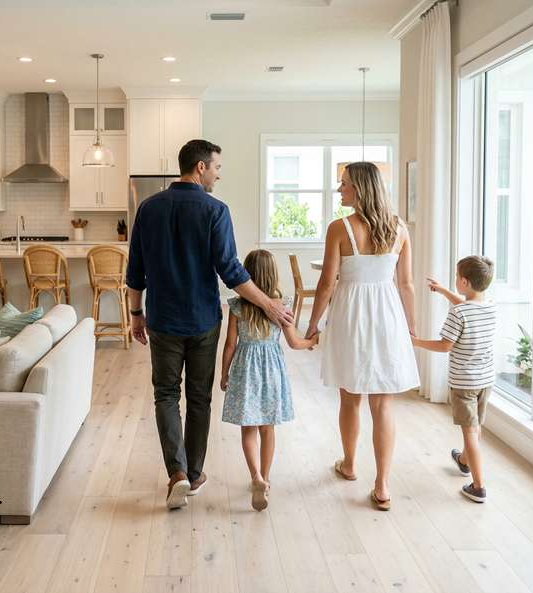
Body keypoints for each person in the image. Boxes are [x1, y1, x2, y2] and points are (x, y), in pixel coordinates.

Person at [126, 139, 293, 511]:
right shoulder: (215, 210)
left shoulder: (148, 208)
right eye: (216, 167)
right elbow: (231, 271)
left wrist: (136, 314)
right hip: (202, 319)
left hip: (162, 319)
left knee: (165, 395)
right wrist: (269, 304)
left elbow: (135, 270)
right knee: (199, 397)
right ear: (200, 167)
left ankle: (177, 474)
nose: (218, 174)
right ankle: (195, 472)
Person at [305, 161, 419, 511]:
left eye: (344, 184)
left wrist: (313, 324)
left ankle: (350, 464)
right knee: (383, 403)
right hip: (387, 314)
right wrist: (410, 326)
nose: (339, 189)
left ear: (360, 188)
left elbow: (327, 284)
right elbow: (406, 284)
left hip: (351, 314)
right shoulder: (399, 228)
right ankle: (382, 485)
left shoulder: (339, 228)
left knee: (350, 396)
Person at [220, 249, 318, 511]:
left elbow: (230, 345)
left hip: (245, 371)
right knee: (267, 428)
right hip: (271, 373)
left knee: (248, 429)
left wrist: (224, 374)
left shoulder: (237, 306)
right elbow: (294, 343)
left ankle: (255, 477)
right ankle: (266, 477)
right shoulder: (281, 306)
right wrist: (312, 341)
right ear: (273, 274)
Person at [412, 256, 497, 503]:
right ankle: (463, 461)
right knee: (476, 426)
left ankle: (478, 487)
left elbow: (445, 345)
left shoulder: (458, 313)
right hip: (485, 380)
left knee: (469, 432)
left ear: (464, 281)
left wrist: (414, 342)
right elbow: (468, 305)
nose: (455, 281)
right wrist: (443, 291)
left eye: (456, 278)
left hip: (464, 383)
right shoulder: (490, 306)